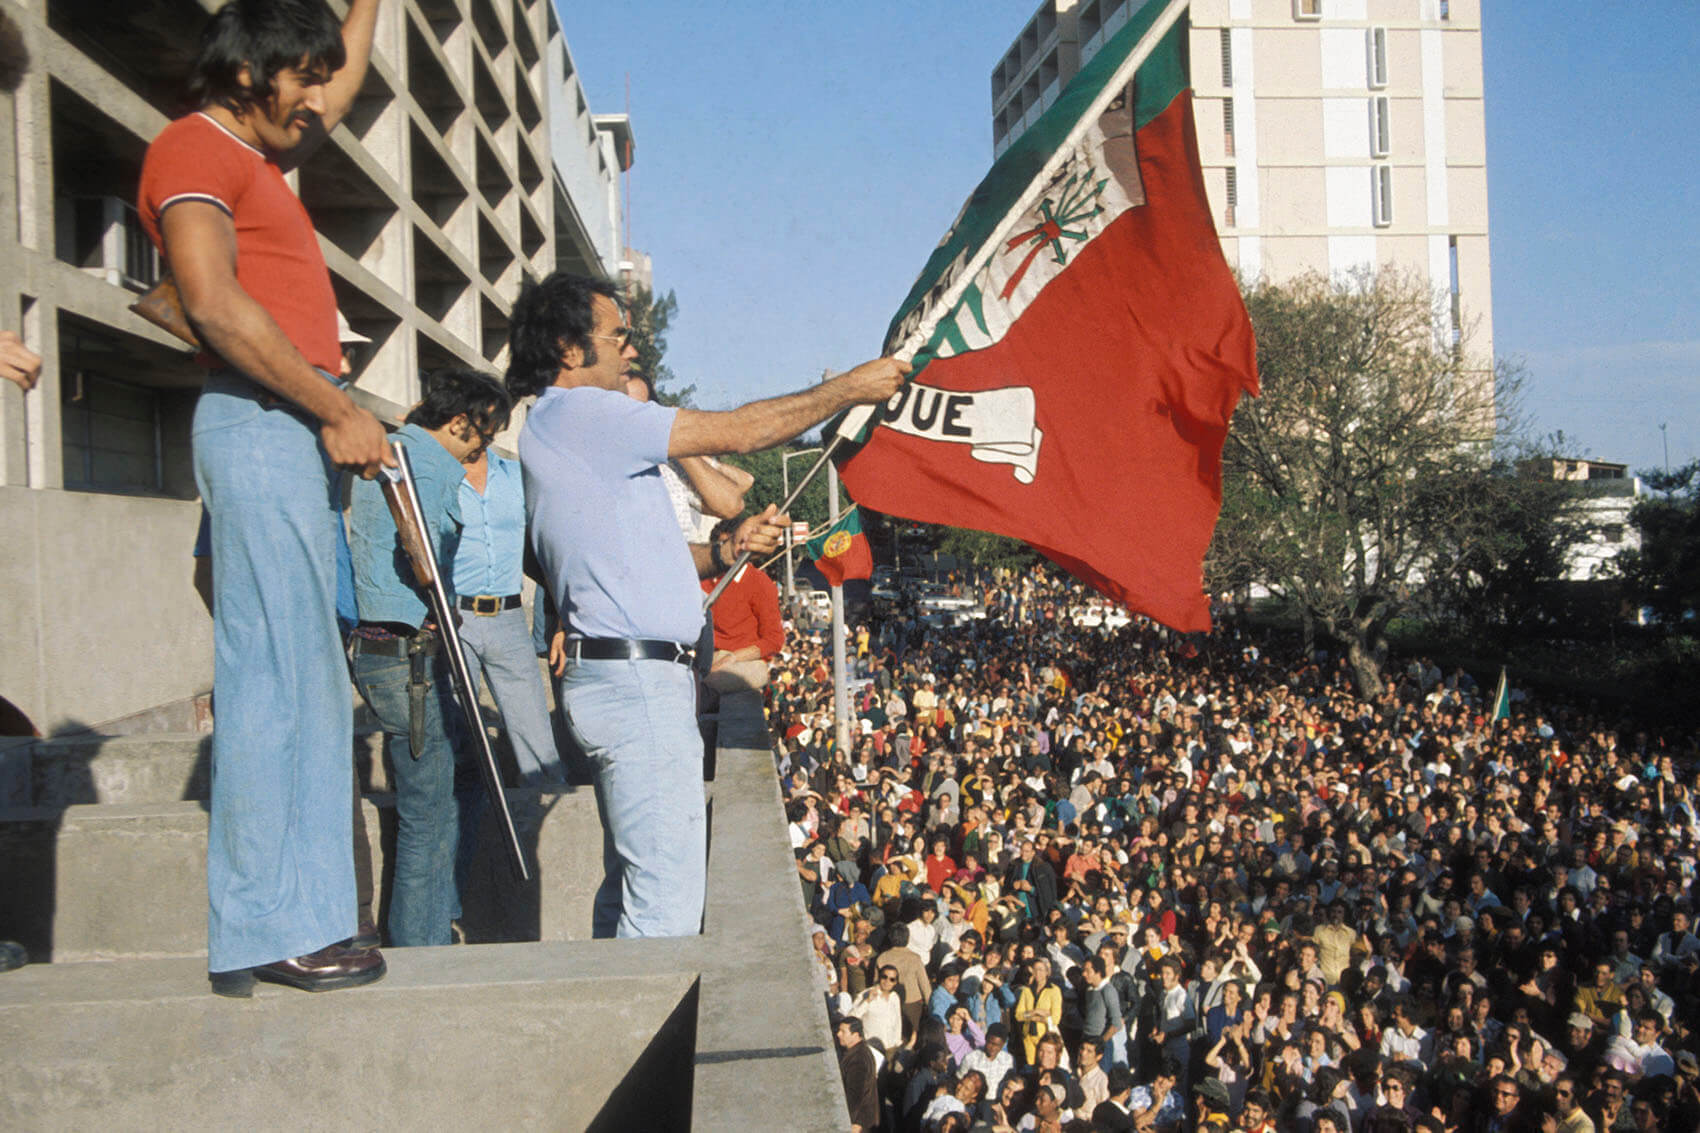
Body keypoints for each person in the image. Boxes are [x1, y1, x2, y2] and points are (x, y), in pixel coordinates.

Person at [505, 269, 906, 940]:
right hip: (637, 686)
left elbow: (639, 555)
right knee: (663, 906)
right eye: (619, 335)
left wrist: (721, 555)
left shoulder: (557, 425)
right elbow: (743, 432)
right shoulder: (586, 413)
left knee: (628, 887)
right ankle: (642, 1045)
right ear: (568, 348)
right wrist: (849, 388)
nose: (632, 349)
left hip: (622, 676)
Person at [138, 0, 390, 996]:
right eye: (304, 75)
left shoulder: (255, 157)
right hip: (265, 418)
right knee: (280, 677)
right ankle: (275, 923)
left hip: (278, 424)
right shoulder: (193, 149)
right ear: (253, 72)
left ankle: (297, 917)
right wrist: (333, 407)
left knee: (302, 674)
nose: (319, 96)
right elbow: (208, 297)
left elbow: (347, 75)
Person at [348, 368, 509, 946]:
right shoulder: (428, 462)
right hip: (408, 652)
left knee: (460, 776)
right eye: (480, 439)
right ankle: (423, 941)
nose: (479, 452)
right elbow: (419, 550)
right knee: (428, 809)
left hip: (385, 645)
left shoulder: (391, 448)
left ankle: (440, 908)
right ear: (460, 421)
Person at [452, 441, 565, 787]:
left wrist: (562, 621)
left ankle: (547, 815)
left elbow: (547, 547)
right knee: (456, 730)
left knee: (535, 734)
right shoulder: (439, 474)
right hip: (455, 616)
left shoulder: (517, 476)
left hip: (509, 616)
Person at [836, 1015, 880, 1133]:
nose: (838, 1034)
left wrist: (853, 1122)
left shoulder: (858, 1059)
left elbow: (855, 1095)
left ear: (855, 1035)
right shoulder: (861, 1052)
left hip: (857, 1123)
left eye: (843, 1032)